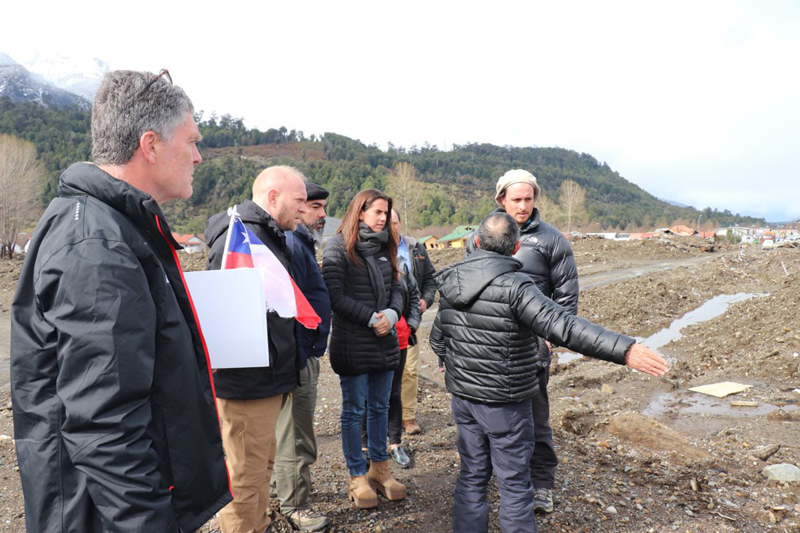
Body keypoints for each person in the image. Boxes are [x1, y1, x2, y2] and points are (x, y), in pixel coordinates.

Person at [10, 69, 231, 532]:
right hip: (101, 516)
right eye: (191, 142)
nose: (199, 157)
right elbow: (103, 425)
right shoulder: (96, 244)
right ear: (150, 145)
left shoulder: (114, 226)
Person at [431, 212, 669, 533]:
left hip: (464, 400)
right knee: (514, 484)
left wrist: (454, 365)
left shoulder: (450, 282)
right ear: (516, 248)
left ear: (475, 242)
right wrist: (625, 349)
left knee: (472, 476)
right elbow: (565, 327)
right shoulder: (517, 287)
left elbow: (437, 338)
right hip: (506, 402)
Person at [465, 168, 577, 513]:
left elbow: (566, 298)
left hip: (531, 349)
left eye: (529, 199)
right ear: (501, 199)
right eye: (517, 199)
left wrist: (547, 342)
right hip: (489, 348)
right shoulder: (480, 236)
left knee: (536, 419)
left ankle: (541, 485)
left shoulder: (551, 240)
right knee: (488, 420)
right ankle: (494, 482)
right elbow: (468, 289)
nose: (524, 206)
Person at [205, 165, 308, 533]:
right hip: (247, 384)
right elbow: (223, 314)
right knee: (244, 478)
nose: (304, 207)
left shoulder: (267, 235)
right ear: (273, 197)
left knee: (260, 468)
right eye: (299, 200)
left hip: (267, 379)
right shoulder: (240, 237)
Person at [322, 189, 407, 509]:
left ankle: (380, 469)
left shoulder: (387, 246)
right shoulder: (338, 247)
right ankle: (357, 474)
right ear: (360, 212)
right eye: (378, 212)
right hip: (353, 343)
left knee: (380, 409)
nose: (383, 218)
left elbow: (398, 287)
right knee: (354, 410)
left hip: (384, 342)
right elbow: (335, 296)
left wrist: (391, 314)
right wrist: (371, 318)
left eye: (386, 212)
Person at [270, 181, 332, 532]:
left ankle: (283, 494)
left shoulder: (301, 243)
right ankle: (295, 506)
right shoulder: (294, 242)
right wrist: (303, 348)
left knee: (288, 431)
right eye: (316, 206)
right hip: (298, 355)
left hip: (300, 351)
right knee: (296, 433)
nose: (323, 214)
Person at [361, 209, 421, 469]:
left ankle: (395, 443)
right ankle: (364, 447)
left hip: (399, 337)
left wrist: (411, 324)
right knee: (365, 395)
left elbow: (412, 295)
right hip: (367, 337)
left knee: (394, 392)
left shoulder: (398, 262)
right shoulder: (354, 259)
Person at [398, 213, 437, 435]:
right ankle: (386, 415)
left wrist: (426, 300)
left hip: (411, 320)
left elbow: (430, 279)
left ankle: (408, 416)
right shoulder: (372, 249)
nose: (389, 225)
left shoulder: (416, 248)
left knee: (410, 370)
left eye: (394, 221)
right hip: (384, 321)